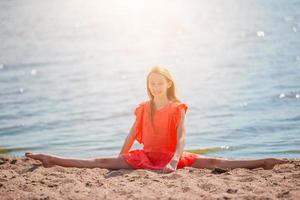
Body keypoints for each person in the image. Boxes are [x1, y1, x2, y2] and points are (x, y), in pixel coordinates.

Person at [25, 66, 289, 173]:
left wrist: (175, 159)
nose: (155, 87)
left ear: (168, 83)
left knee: (215, 161)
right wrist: (120, 158)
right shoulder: (144, 107)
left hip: (171, 156)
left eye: (159, 83)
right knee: (99, 162)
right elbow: (131, 135)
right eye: (151, 84)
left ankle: (264, 161)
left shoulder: (177, 107)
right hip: (146, 156)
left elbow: (182, 136)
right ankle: (51, 158)